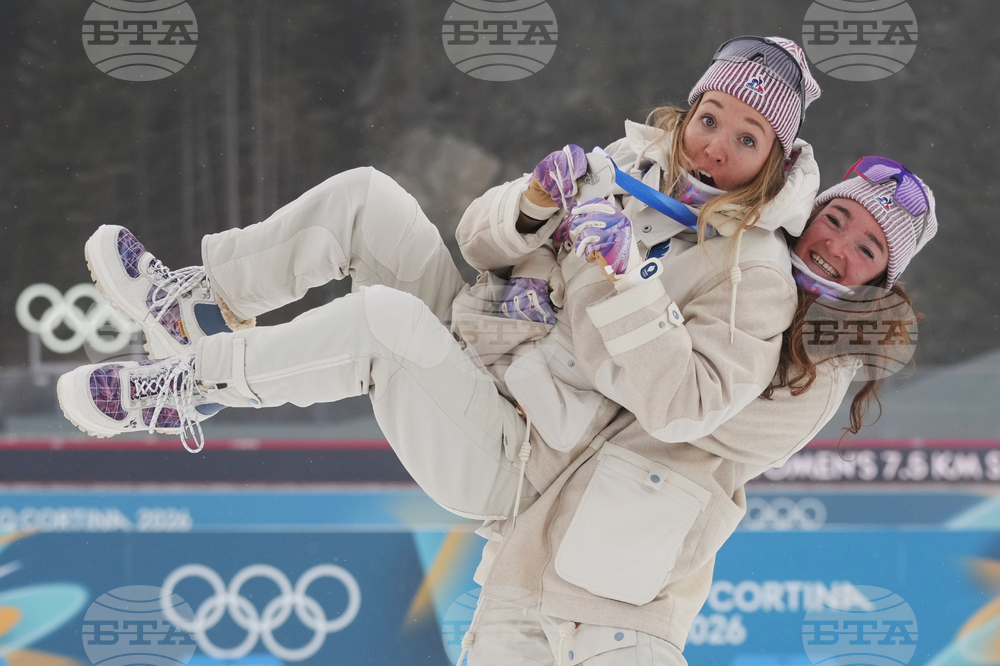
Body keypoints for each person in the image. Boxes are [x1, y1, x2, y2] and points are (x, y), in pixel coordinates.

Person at [55, 35, 877, 664]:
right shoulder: (629, 162)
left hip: (521, 448)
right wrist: (526, 206)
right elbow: (478, 243)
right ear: (688, 110)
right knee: (369, 198)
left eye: (747, 140)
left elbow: (681, 403)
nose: (715, 148)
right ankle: (197, 302)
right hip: (486, 341)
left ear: (774, 163)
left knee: (382, 322)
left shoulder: (756, 271)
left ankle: (188, 386)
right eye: (711, 120)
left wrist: (622, 281)